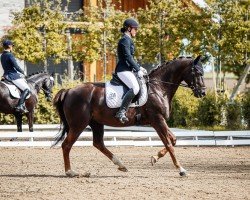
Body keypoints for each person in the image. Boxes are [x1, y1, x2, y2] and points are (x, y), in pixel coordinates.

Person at [115, 18, 146, 123]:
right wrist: (137, 69)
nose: (136, 31)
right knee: (135, 88)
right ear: (129, 29)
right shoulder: (125, 40)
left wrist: (139, 67)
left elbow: (131, 58)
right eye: (135, 29)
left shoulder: (128, 40)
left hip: (128, 69)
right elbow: (128, 57)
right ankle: (121, 111)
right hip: (122, 70)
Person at [1, 40, 30, 113]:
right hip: (12, 76)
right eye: (12, 46)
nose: (12, 47)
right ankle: (20, 105)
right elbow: (16, 66)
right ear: (10, 46)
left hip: (5, 75)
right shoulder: (10, 55)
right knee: (27, 89)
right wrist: (23, 72)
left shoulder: (2, 55)